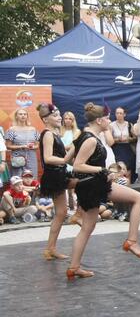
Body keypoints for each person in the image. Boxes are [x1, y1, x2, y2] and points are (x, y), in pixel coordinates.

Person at [67, 103, 140, 280]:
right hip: (93, 185)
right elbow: (77, 165)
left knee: (87, 228)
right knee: (139, 198)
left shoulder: (89, 135)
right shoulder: (90, 139)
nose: (109, 120)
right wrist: (102, 171)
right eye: (107, 117)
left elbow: (72, 158)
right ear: (99, 120)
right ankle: (132, 241)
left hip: (94, 184)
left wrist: (105, 173)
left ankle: (73, 267)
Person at [36, 103, 77, 259]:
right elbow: (47, 158)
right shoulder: (47, 134)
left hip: (58, 173)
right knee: (85, 181)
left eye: (59, 115)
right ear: (45, 119)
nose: (59, 117)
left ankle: (50, 248)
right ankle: (79, 214)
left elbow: (60, 151)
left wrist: (74, 146)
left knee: (61, 213)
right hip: (55, 176)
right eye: (56, 115)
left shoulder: (54, 133)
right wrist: (66, 158)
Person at [5, 108, 39, 178]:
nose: (23, 116)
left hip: (31, 157)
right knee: (17, 179)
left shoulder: (33, 129)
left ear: (27, 116)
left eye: (25, 114)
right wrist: (22, 146)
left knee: (32, 178)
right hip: (18, 158)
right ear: (16, 116)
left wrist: (32, 147)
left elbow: (37, 145)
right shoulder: (12, 130)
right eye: (20, 114)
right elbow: (8, 146)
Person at [110, 107, 135, 181]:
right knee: (117, 169)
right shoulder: (111, 125)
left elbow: (135, 138)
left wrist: (127, 139)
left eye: (120, 113)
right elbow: (109, 140)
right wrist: (117, 140)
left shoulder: (129, 124)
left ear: (124, 114)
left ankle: (129, 188)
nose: (118, 115)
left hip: (127, 149)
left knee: (128, 171)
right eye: (117, 113)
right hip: (116, 149)